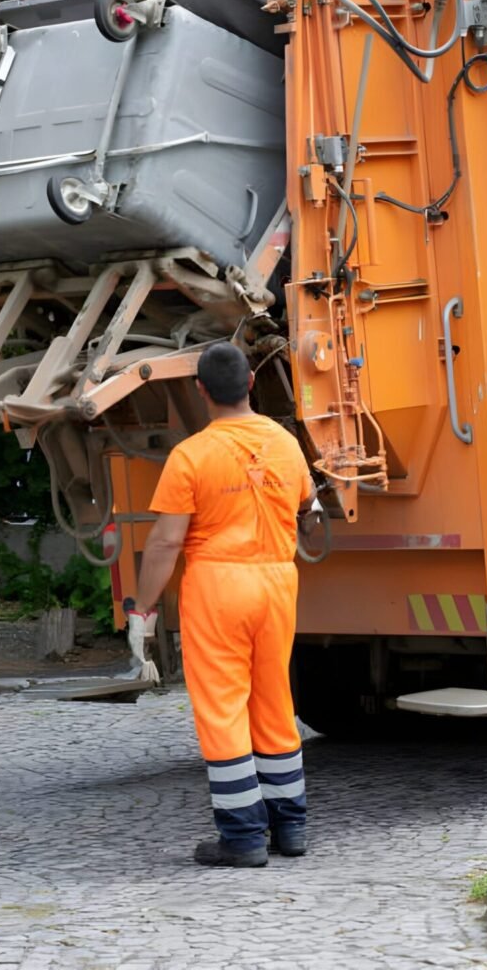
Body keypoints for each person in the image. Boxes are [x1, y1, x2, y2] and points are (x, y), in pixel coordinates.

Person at [127, 342, 319, 868]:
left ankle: (242, 837)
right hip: (278, 582)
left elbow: (166, 544)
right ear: (253, 384)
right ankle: (291, 826)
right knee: (274, 703)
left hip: (218, 586)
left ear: (201, 391)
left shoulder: (191, 456)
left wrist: (142, 611)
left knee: (223, 710)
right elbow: (305, 501)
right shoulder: (285, 443)